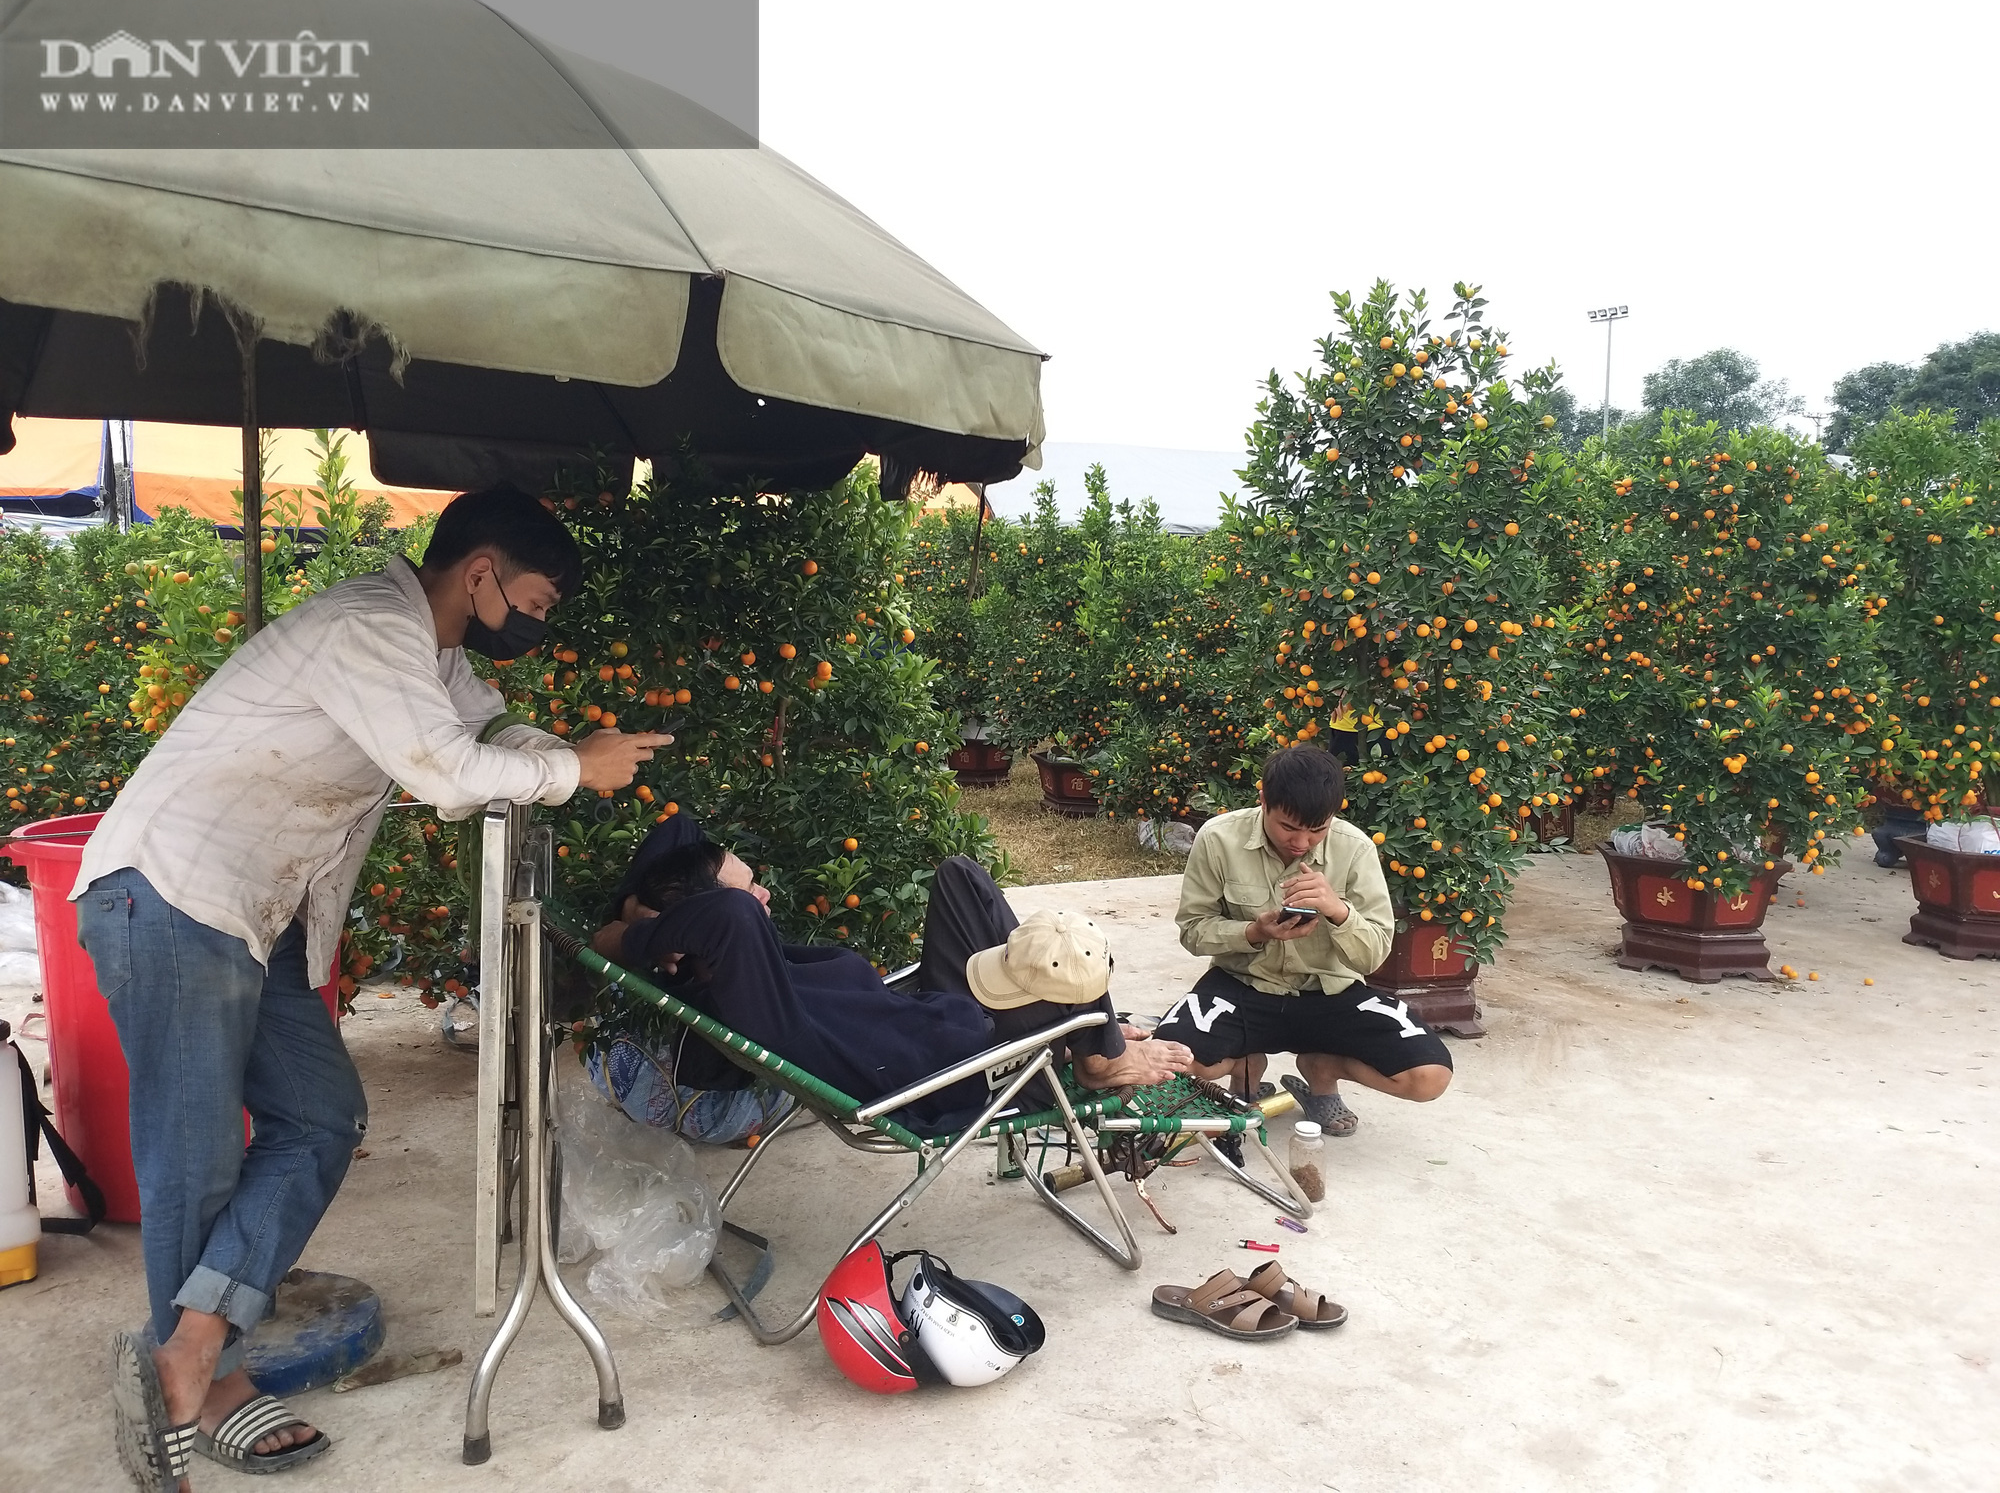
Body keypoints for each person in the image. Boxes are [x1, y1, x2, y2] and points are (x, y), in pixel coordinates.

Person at [75, 487, 670, 1490]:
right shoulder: (366, 627)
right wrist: (573, 771)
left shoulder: (432, 654)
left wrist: (559, 756)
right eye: (533, 599)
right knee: (196, 1151)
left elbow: (492, 734)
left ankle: (189, 1350)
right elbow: (445, 772)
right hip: (172, 894)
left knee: (319, 1117)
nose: (538, 620)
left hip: (246, 918)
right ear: (478, 573)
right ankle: (192, 1373)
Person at [588, 817, 1191, 1135]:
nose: (764, 892)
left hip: (938, 1011)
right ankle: (1098, 1054)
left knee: (961, 876)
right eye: (753, 887)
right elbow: (730, 910)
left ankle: (1095, 1038)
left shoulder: (752, 962)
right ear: (702, 924)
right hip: (968, 1069)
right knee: (1071, 947)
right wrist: (625, 938)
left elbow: (680, 830)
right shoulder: (746, 982)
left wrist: (631, 913)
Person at [1162, 745, 1452, 1142]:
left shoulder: (1355, 848)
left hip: (1329, 993)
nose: (1301, 842)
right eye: (1288, 827)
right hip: (1243, 986)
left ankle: (1321, 1068)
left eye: (1317, 830)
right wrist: (1254, 932)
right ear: (1263, 799)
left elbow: (1375, 953)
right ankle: (1243, 1064)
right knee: (1167, 1061)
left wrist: (1339, 912)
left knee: (1428, 1078)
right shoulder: (1218, 839)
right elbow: (1192, 930)